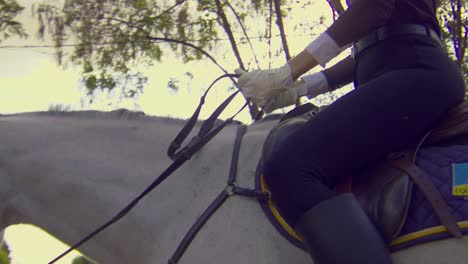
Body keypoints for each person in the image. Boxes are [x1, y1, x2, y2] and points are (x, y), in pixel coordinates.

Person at [235, 0, 466, 263]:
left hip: (415, 72)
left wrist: (286, 72)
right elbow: (374, 44)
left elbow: (375, 8)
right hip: (409, 69)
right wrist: (302, 88)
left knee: (290, 167)